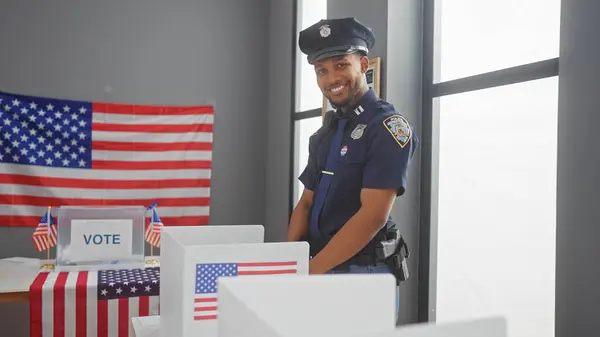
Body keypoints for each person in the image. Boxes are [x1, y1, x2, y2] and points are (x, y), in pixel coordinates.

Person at [286, 17, 419, 320]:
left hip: (364, 274)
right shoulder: (326, 133)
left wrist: (308, 273)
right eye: (322, 70)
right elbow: (306, 202)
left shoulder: (386, 127)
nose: (331, 77)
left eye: (341, 65)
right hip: (319, 267)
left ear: (364, 64)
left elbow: (373, 216)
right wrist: (287, 262)